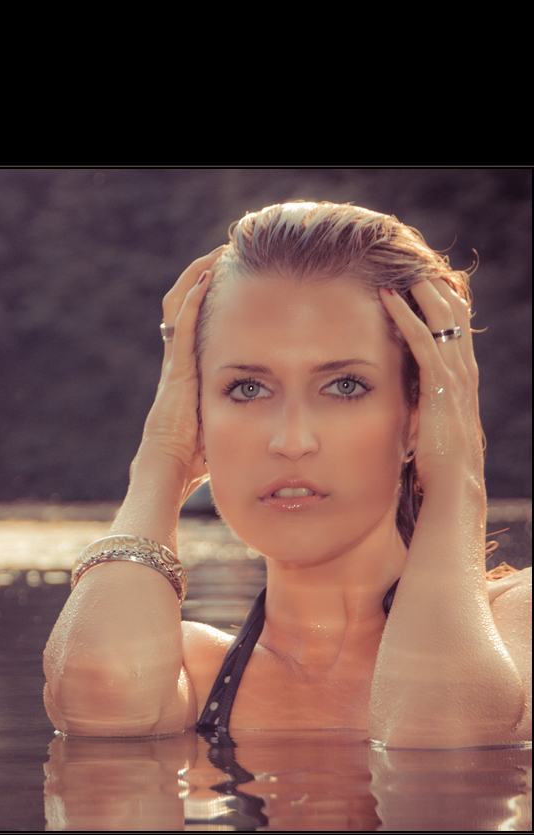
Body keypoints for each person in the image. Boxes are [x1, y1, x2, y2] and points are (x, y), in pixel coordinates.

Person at [44, 202, 531, 748]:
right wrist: (161, 457)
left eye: (344, 386)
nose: (292, 440)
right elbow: (99, 698)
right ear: (198, 414)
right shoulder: (190, 671)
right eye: (248, 388)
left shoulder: (520, 621)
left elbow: (443, 734)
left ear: (418, 415)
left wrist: (457, 475)